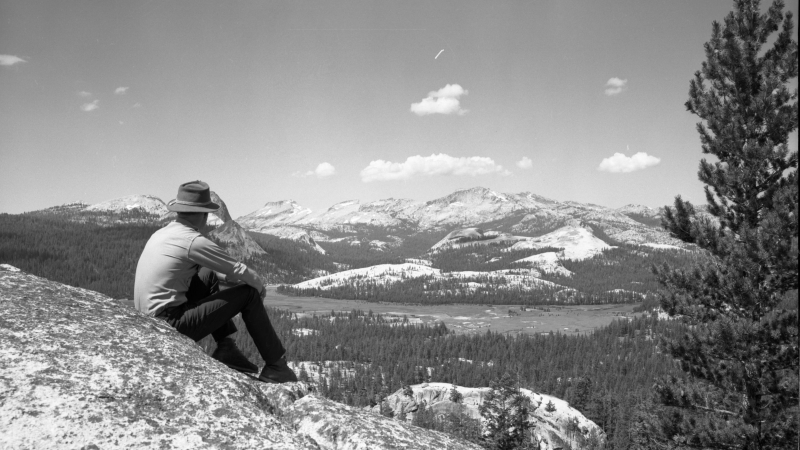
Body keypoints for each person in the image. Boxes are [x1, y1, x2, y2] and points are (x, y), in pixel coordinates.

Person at [134, 180, 297, 383]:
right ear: (202, 214)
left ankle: (226, 348)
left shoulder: (164, 233)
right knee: (248, 294)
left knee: (208, 274)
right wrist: (258, 289)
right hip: (168, 324)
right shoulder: (192, 240)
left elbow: (199, 272)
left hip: (146, 321)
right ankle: (276, 366)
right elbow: (244, 272)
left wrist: (226, 278)